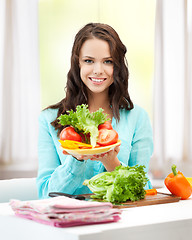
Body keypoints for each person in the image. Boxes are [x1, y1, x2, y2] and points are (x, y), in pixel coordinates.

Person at [36, 23, 153, 199]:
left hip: (122, 221)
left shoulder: (138, 118)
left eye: (108, 61)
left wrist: (112, 163)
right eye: (89, 61)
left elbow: (144, 191)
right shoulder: (49, 119)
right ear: (78, 64)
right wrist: (76, 161)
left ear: (118, 66)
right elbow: (45, 194)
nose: (98, 70)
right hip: (69, 223)